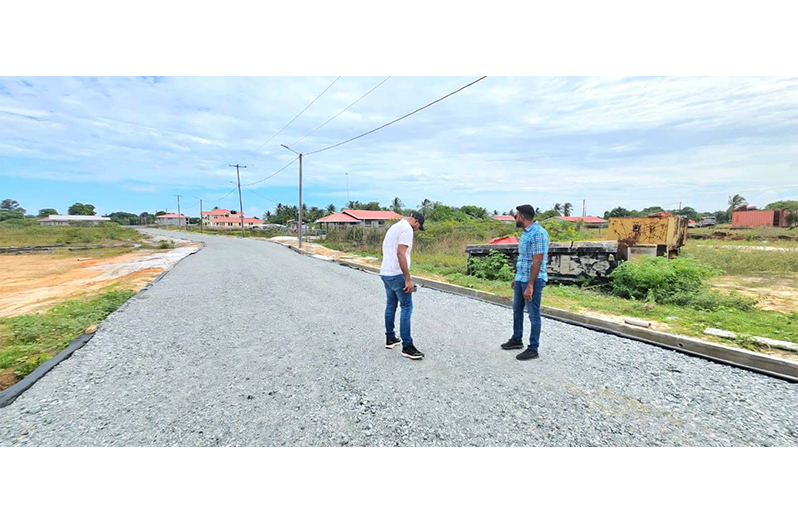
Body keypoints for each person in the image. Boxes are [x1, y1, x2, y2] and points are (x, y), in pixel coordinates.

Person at [500, 204, 550, 361]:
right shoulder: (526, 233)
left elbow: (537, 262)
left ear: (521, 217)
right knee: (517, 309)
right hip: (521, 278)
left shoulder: (538, 234)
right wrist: (517, 277)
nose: (515, 219)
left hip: (533, 280)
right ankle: (516, 339)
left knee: (533, 314)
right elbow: (524, 259)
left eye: (515, 216)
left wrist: (530, 285)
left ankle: (533, 348)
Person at [380, 211, 425, 360]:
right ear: (416, 221)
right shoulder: (407, 229)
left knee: (391, 305)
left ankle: (390, 338)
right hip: (397, 274)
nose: (417, 230)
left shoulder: (395, 227)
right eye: (418, 227)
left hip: (386, 272)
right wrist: (407, 278)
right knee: (406, 307)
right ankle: (407, 346)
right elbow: (401, 253)